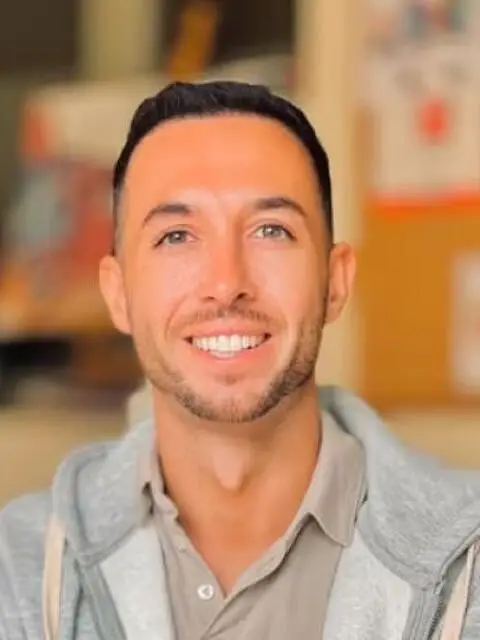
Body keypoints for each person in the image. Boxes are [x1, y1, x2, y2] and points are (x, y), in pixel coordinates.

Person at [1, 81, 480, 640]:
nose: (227, 283)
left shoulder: (468, 566)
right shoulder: (18, 572)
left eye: (271, 230)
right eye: (177, 236)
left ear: (335, 282)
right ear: (118, 293)